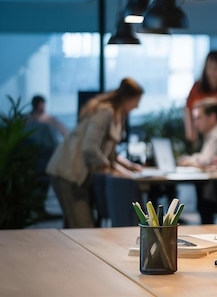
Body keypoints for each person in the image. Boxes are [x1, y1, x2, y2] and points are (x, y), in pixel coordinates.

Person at [46, 77, 144, 228]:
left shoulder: (115, 114)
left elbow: (109, 154)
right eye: (137, 101)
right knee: (83, 228)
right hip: (68, 173)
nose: (137, 106)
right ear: (129, 98)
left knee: (74, 228)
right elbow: (90, 147)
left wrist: (129, 167)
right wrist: (109, 168)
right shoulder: (106, 112)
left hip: (74, 175)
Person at [177, 98, 217, 224]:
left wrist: (190, 161)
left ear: (212, 117)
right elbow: (203, 159)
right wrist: (193, 160)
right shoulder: (215, 132)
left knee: (203, 203)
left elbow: (204, 161)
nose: (195, 123)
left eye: (198, 118)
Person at [24, 95, 68, 219]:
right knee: (39, 182)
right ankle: (37, 209)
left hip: (38, 157)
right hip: (40, 157)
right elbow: (64, 131)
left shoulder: (28, 120)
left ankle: (37, 209)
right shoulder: (44, 120)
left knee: (39, 183)